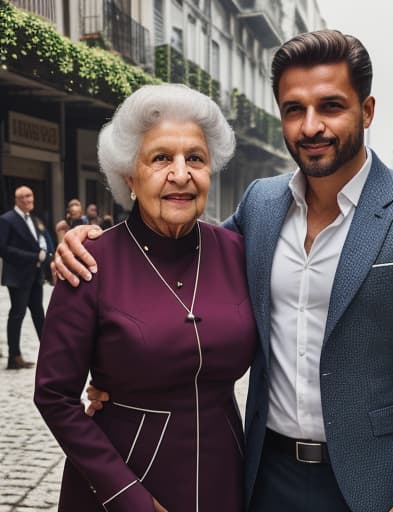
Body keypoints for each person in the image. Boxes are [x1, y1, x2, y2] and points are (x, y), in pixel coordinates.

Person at [54, 30, 393, 512]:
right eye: (294, 109)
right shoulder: (261, 204)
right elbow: (181, 254)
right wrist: (87, 242)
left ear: (367, 110)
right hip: (260, 474)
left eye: (331, 106)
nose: (310, 126)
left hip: (373, 483)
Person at [34, 84, 257, 512]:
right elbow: (54, 395)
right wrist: (126, 496)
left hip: (224, 473)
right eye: (161, 158)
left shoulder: (238, 253)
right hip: (122, 478)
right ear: (130, 177)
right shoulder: (89, 261)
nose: (180, 173)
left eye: (195, 158)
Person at [0, 186, 52, 369]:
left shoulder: (34, 219)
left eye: (31, 195)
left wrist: (45, 253)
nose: (30, 200)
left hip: (35, 274)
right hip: (18, 275)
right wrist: (33, 257)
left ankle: (49, 354)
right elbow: (4, 249)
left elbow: (41, 239)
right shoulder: (7, 220)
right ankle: (14, 357)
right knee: (17, 314)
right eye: (26, 197)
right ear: (18, 200)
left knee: (39, 314)